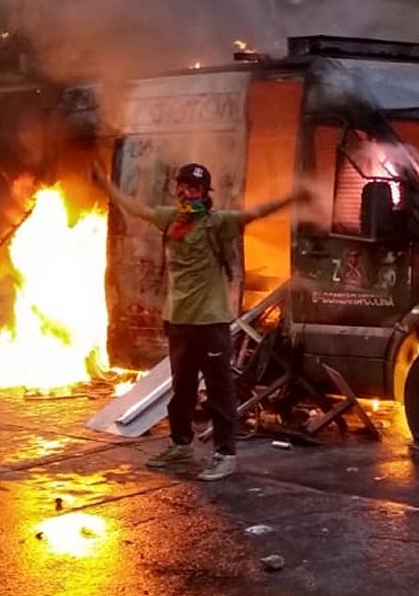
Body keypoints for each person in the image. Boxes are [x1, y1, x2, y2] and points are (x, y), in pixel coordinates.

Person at [92, 162, 306, 481]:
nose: (186, 193)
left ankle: (225, 454)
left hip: (211, 323)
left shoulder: (218, 223)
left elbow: (255, 212)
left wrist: (291, 197)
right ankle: (180, 448)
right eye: (183, 187)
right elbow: (134, 208)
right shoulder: (169, 219)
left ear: (205, 193)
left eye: (194, 188)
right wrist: (105, 184)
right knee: (182, 391)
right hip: (178, 322)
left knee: (219, 391)